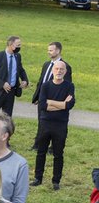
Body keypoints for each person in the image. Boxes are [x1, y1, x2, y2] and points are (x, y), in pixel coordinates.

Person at [33, 60, 74, 190]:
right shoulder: (45, 86)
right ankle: (37, 178)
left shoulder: (69, 86)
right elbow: (43, 105)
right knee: (41, 152)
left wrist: (52, 103)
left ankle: (56, 181)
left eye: (62, 69)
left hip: (60, 125)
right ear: (52, 71)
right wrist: (61, 105)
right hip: (45, 123)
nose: (59, 71)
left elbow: (69, 105)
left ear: (65, 72)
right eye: (56, 69)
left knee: (58, 154)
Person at [0, 36, 28, 119]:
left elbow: (21, 69)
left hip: (11, 92)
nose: (19, 47)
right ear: (10, 45)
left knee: (7, 118)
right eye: (18, 45)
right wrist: (2, 84)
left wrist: (25, 80)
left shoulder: (17, 56)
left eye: (20, 45)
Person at [29, 41, 71, 106]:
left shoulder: (65, 66)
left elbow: (66, 86)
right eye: (48, 50)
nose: (48, 52)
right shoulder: (46, 64)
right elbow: (41, 81)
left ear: (58, 51)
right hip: (42, 100)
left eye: (51, 50)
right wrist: (37, 97)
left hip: (55, 101)